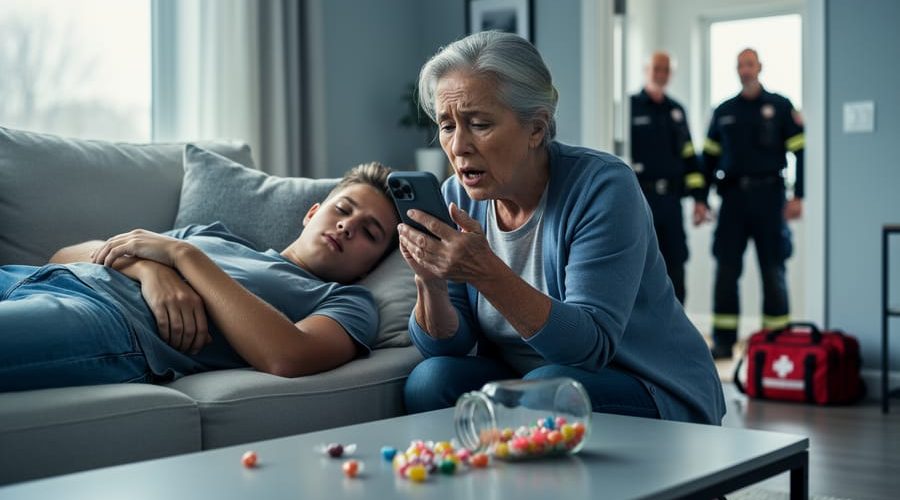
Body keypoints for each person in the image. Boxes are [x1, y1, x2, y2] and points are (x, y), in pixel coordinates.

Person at [399, 31, 725, 425]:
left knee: (542, 390)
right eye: (447, 125)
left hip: (644, 381)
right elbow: (448, 346)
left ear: (536, 128)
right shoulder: (457, 195)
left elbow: (589, 347)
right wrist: (431, 283)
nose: (458, 146)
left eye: (479, 123)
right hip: (529, 381)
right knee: (430, 381)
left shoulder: (603, 187)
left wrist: (485, 271)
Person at [0, 162, 400, 392]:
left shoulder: (347, 301)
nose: (348, 226)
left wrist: (183, 257)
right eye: (343, 209)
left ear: (371, 266)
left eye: (370, 232)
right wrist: (150, 271)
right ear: (312, 213)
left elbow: (288, 356)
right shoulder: (209, 235)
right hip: (38, 277)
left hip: (108, 325)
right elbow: (63, 255)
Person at [703, 48, 805, 360]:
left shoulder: (780, 106)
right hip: (732, 199)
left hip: (770, 198)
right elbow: (708, 158)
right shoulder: (724, 111)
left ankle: (776, 343)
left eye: (749, 64)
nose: (745, 70)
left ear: (759, 67)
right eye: (740, 66)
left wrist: (799, 195)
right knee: (726, 270)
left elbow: (801, 151)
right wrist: (699, 199)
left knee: (773, 269)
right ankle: (723, 341)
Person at [630, 51, 711, 303]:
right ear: (646, 70)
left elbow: (689, 157)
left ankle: (677, 333)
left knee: (675, 263)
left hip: (672, 202)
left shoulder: (677, 111)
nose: (660, 74)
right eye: (656, 68)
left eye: (666, 69)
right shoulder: (629, 107)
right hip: (639, 199)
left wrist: (699, 199)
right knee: (638, 264)